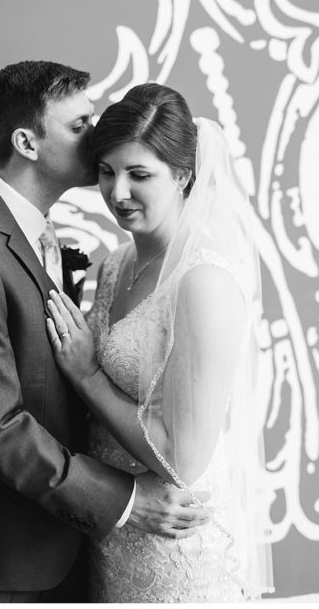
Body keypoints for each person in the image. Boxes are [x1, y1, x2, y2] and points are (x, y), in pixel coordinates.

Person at [0, 61, 212, 602]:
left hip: (59, 547)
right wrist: (127, 500)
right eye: (79, 126)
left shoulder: (36, 235)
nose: (97, 136)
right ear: (26, 142)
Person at [45, 83, 273, 601]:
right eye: (107, 172)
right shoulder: (114, 265)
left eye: (139, 174)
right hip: (116, 530)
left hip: (176, 547)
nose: (117, 192)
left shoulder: (203, 282)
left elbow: (182, 461)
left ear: (183, 175)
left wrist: (87, 375)